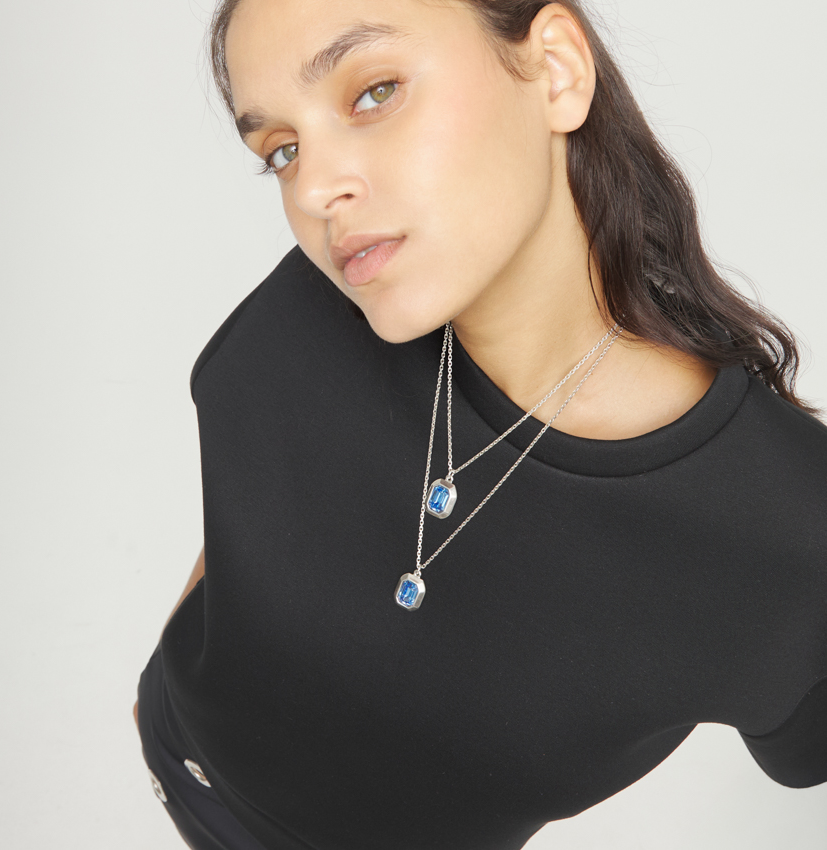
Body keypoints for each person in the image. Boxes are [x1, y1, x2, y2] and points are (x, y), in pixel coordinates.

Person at [133, 0, 827, 847]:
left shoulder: (792, 529)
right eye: (282, 149)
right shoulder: (322, 296)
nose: (313, 190)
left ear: (557, 70)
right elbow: (250, 492)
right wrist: (169, 681)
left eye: (374, 92)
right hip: (174, 751)